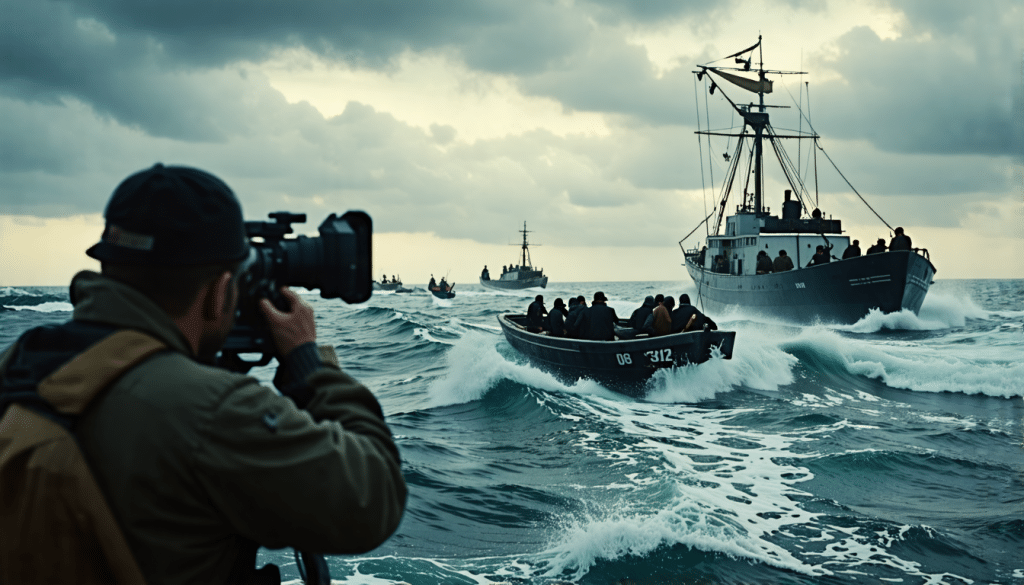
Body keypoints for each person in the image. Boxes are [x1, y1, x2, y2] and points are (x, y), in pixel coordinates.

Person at [0, 164, 406, 583]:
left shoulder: (20, 363)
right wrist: (308, 365)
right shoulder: (214, 410)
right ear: (218, 293)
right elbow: (373, 499)